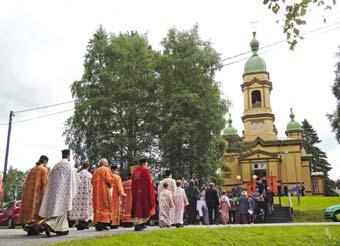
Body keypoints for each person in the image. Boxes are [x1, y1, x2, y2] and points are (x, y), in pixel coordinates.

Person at [39, 149, 79, 237]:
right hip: (65, 192)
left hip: (55, 192)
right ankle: (49, 224)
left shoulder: (56, 166)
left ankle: (61, 229)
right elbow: (76, 180)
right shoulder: (69, 166)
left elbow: (50, 180)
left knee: (58, 211)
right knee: (62, 211)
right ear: (69, 156)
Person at [18, 155, 49, 235]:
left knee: (30, 213)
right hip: (37, 195)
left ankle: (30, 229)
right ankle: (35, 228)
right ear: (45, 161)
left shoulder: (32, 170)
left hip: (28, 195)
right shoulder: (43, 169)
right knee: (37, 214)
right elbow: (45, 184)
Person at [131, 157, 156, 231]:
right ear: (145, 163)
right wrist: (152, 190)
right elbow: (149, 182)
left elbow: (133, 182)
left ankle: (139, 224)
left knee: (137, 208)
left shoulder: (135, 170)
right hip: (144, 192)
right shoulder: (145, 170)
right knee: (144, 208)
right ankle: (140, 225)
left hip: (136, 192)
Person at [69, 161, 93, 230]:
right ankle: (84, 223)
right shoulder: (89, 175)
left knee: (78, 209)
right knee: (86, 208)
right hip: (86, 195)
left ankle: (79, 223)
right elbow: (91, 186)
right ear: (88, 167)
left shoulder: (78, 174)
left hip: (78, 195)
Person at [91, 158, 114, 231]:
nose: (108, 164)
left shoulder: (96, 171)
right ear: (105, 163)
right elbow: (109, 180)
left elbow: (92, 181)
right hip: (104, 191)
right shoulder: (106, 169)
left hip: (96, 192)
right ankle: (103, 225)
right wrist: (110, 185)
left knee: (98, 207)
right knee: (105, 207)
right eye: (107, 163)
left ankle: (99, 225)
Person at [110, 165, 126, 229]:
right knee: (115, 210)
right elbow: (120, 187)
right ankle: (114, 224)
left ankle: (109, 222)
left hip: (108, 196)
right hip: (115, 196)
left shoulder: (108, 175)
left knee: (110, 209)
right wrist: (122, 193)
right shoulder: (117, 177)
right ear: (116, 169)